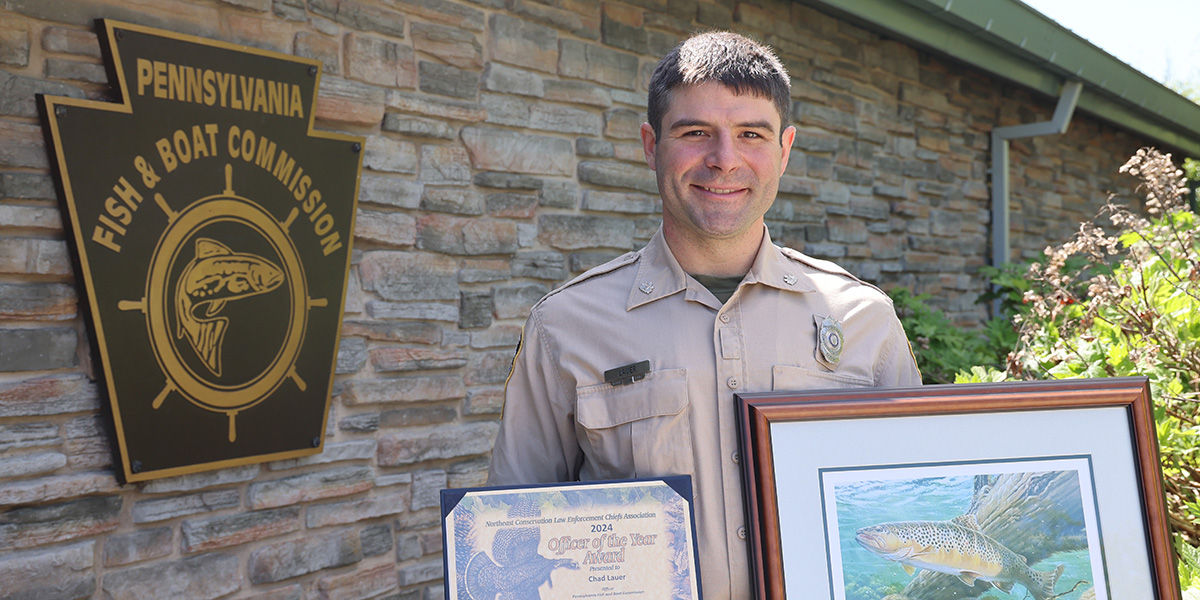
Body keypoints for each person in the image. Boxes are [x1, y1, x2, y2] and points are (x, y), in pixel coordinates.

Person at [487, 31, 922, 599]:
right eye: (696, 133)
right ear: (651, 145)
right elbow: (510, 529)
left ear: (785, 150)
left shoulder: (865, 320)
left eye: (751, 135)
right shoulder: (564, 326)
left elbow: (910, 510)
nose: (724, 159)